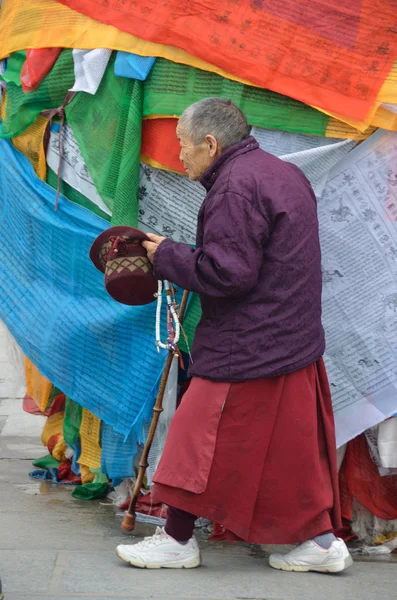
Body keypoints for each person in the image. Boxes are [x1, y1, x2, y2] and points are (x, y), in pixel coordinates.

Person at [116, 98, 353, 573]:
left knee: (193, 436)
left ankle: (178, 541)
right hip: (291, 336)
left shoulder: (234, 190)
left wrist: (167, 257)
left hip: (248, 342)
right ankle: (321, 543)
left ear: (210, 143)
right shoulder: (280, 173)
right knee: (288, 452)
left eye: (183, 145)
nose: (179, 156)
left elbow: (229, 274)